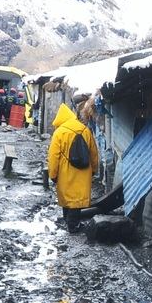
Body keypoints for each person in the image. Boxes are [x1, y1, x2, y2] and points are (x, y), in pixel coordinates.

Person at [47, 93, 99, 232]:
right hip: (83, 171)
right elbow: (94, 153)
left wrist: (53, 174)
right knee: (77, 199)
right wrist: (94, 169)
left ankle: (70, 223)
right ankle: (73, 223)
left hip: (65, 172)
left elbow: (53, 156)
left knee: (67, 197)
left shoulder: (59, 133)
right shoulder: (85, 130)